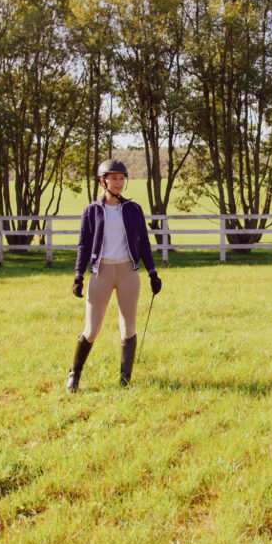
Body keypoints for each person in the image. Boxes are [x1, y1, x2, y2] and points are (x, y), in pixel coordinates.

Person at [66, 158, 162, 391]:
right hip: (102, 272)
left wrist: (152, 273)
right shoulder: (92, 211)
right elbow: (83, 246)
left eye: (121, 178)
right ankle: (74, 375)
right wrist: (78, 275)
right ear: (103, 181)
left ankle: (124, 380)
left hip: (128, 271)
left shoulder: (133, 209)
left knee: (128, 328)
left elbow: (144, 244)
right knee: (92, 330)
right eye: (114, 178)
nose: (118, 182)